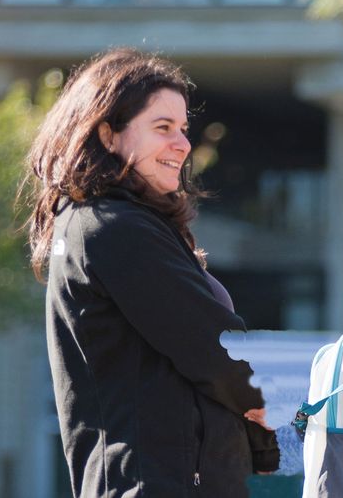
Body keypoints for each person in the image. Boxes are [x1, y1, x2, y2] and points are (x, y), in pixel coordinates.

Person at [25, 48, 278, 497]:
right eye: (162, 128)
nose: (182, 144)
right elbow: (215, 349)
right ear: (108, 135)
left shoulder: (112, 223)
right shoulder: (113, 228)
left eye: (183, 128)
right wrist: (270, 400)